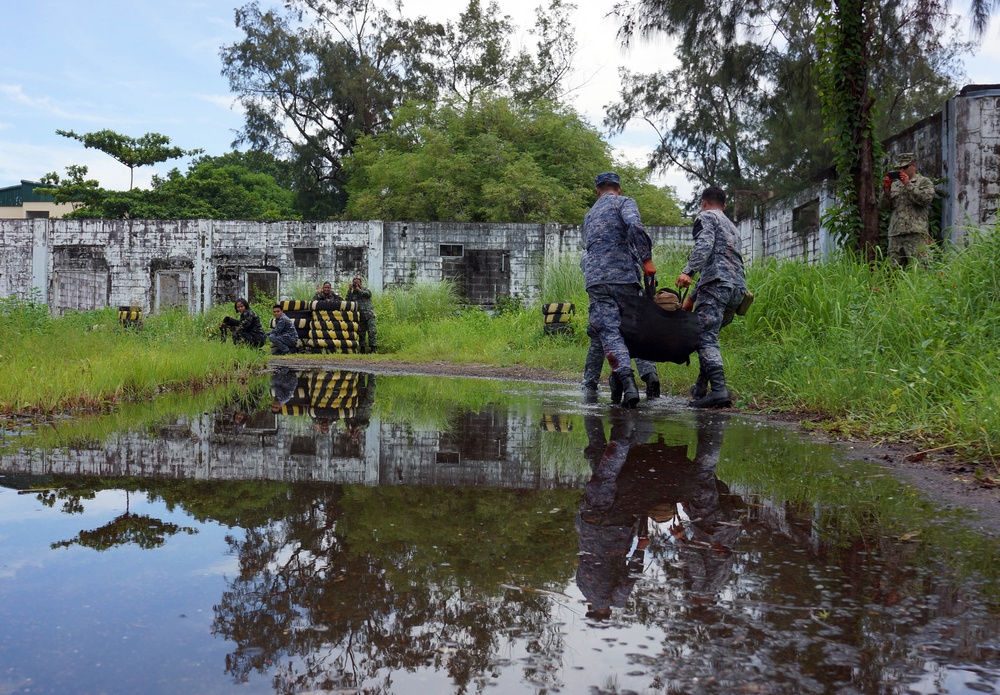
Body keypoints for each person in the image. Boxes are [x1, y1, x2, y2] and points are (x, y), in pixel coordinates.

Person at [581, 171, 657, 409]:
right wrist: (646, 260)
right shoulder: (625, 202)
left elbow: (589, 248)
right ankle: (645, 378)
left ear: (597, 191)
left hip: (596, 280)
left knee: (610, 334)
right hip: (624, 277)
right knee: (630, 330)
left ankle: (627, 383)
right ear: (619, 188)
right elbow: (634, 226)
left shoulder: (589, 215)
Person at [676, 186, 747, 408]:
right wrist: (693, 296)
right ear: (724, 206)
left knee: (706, 338)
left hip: (716, 286)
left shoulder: (706, 216)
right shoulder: (731, 226)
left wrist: (688, 272)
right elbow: (721, 261)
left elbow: (704, 246)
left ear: (703, 202)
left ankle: (719, 391)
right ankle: (700, 388)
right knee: (709, 336)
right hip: (737, 290)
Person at [880, 153, 937, 268]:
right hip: (896, 234)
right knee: (893, 272)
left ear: (913, 166)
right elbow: (883, 207)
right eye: (899, 168)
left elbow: (925, 199)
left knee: (922, 269)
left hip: (916, 233)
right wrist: (886, 190)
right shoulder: (895, 185)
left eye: (905, 167)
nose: (902, 170)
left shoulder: (924, 182)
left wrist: (908, 184)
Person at [346, 276, 377, 353]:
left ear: (360, 283)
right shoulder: (353, 294)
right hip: (360, 316)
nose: (356, 284)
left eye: (358, 282)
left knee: (372, 332)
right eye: (355, 282)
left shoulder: (365, 289)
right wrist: (349, 290)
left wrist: (359, 290)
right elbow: (347, 301)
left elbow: (369, 294)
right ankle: (362, 349)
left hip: (369, 315)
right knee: (361, 333)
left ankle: (373, 349)